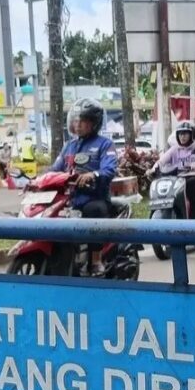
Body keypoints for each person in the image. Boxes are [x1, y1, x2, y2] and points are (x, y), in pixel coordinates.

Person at [50, 98, 118, 276]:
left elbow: (109, 169)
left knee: (94, 210)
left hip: (94, 197)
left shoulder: (105, 144)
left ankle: (96, 260)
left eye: (82, 121)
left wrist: (93, 174)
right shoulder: (69, 146)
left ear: (94, 123)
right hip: (69, 200)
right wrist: (37, 180)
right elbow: (55, 169)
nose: (77, 125)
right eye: (75, 120)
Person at [157, 121, 195, 220]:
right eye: (180, 134)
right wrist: (153, 168)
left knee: (191, 183)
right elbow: (162, 160)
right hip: (178, 179)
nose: (182, 137)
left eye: (185, 134)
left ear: (192, 135)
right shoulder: (175, 149)